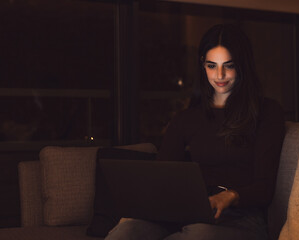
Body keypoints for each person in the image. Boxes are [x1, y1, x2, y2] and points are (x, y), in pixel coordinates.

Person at [105, 23, 285, 240]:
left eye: (229, 65)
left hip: (240, 217)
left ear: (243, 65)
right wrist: (142, 206)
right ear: (202, 64)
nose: (220, 75)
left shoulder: (267, 112)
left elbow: (265, 187)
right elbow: (162, 175)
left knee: (198, 234)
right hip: (186, 212)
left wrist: (229, 196)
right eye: (211, 66)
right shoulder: (187, 118)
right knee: (127, 231)